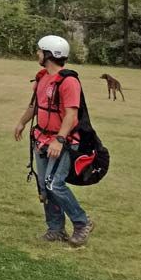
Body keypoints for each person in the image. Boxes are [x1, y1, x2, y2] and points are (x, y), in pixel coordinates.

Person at [13, 35, 95, 247]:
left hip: (62, 141)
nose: (37, 54)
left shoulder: (68, 82)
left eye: (40, 51)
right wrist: (22, 122)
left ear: (49, 54)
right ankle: (56, 229)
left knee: (54, 183)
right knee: (44, 186)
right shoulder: (42, 78)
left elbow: (71, 115)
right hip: (41, 138)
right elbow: (35, 106)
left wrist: (59, 140)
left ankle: (82, 222)